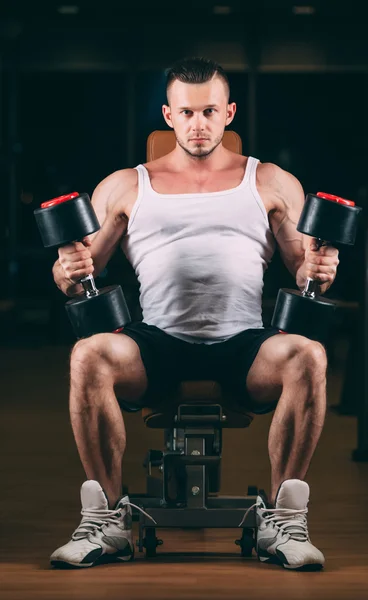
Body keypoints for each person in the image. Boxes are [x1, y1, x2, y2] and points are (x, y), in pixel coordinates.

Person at [49, 57, 339, 570]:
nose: (198, 124)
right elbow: (78, 274)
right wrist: (67, 268)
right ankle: (106, 522)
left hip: (244, 346)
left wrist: (321, 266)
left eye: (209, 111)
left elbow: (303, 271)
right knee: (88, 355)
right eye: (187, 113)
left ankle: (284, 521)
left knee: (308, 356)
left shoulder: (269, 180)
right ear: (168, 115)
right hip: (156, 343)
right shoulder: (127, 184)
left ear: (229, 113)